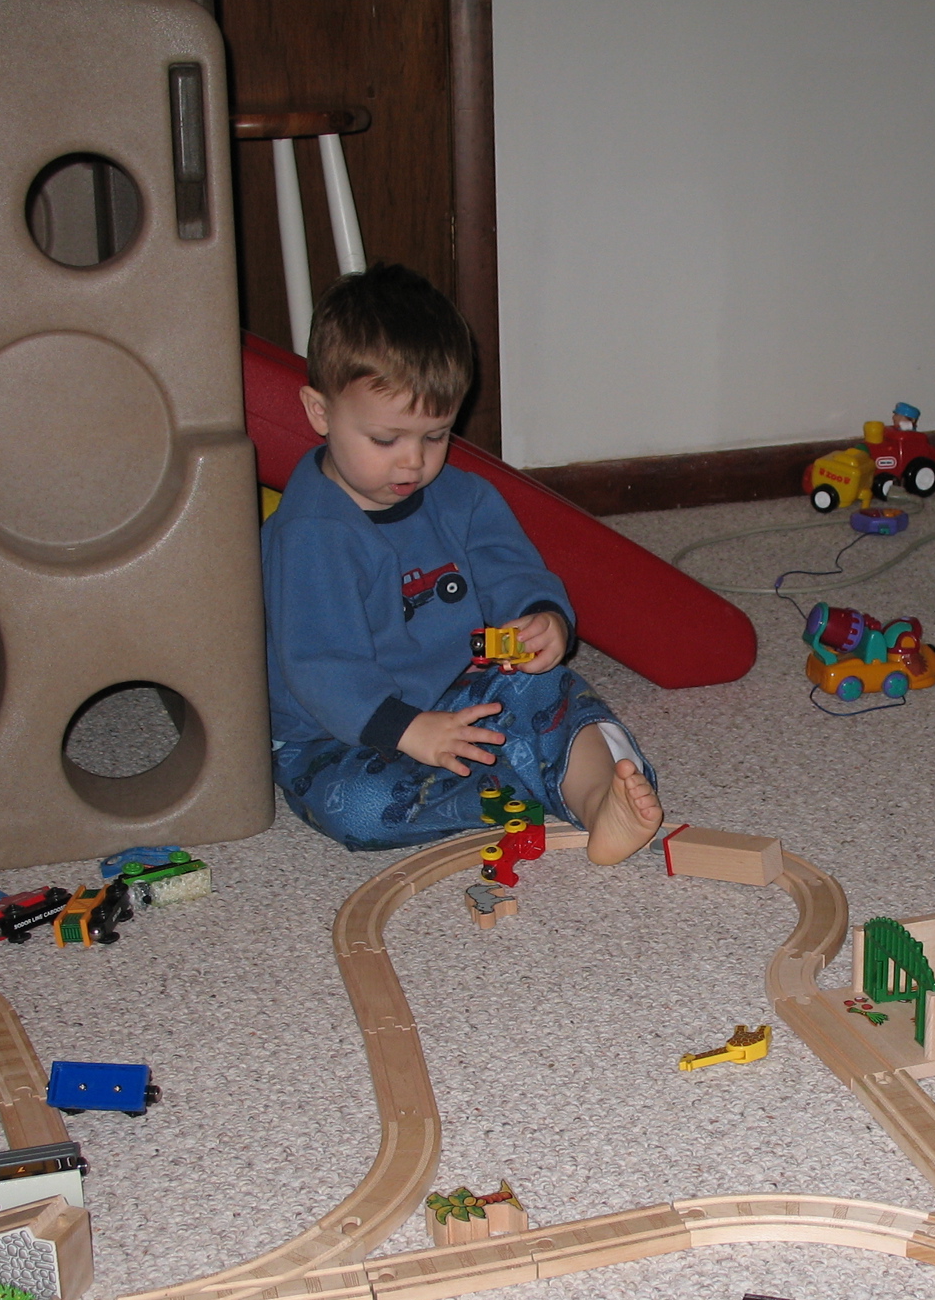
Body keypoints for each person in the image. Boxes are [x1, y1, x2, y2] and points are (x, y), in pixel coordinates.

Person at [261, 262, 662, 862]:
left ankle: (598, 795)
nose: (413, 462)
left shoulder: (463, 497)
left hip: (459, 693)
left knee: (547, 687)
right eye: (386, 440)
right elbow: (321, 665)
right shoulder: (310, 534)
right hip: (340, 730)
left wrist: (542, 617)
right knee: (357, 807)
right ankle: (521, 783)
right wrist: (408, 731)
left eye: (435, 436)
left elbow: (510, 569)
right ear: (320, 413)